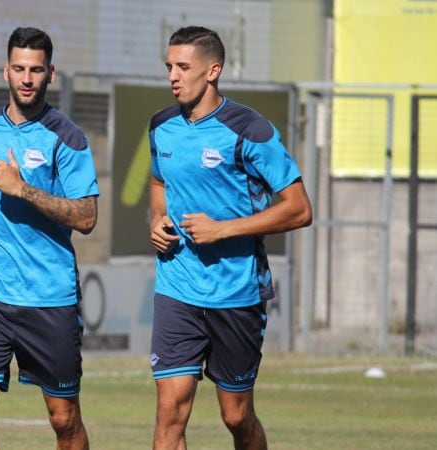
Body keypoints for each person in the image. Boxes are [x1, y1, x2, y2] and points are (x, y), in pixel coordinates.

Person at [148, 26, 312, 450]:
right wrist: (157, 219)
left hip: (236, 292)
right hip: (177, 288)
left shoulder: (250, 129)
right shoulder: (161, 126)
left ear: (213, 70)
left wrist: (223, 229)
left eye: (183, 67)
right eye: (169, 67)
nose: (173, 76)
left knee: (236, 416)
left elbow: (299, 208)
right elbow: (158, 181)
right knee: (170, 412)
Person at [0, 26, 97, 450]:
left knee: (64, 421)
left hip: (48, 297)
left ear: (51, 74)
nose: (27, 78)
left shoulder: (68, 137)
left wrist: (22, 188)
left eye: (36, 70)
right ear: (5, 71)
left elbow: (86, 217)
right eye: (19, 69)